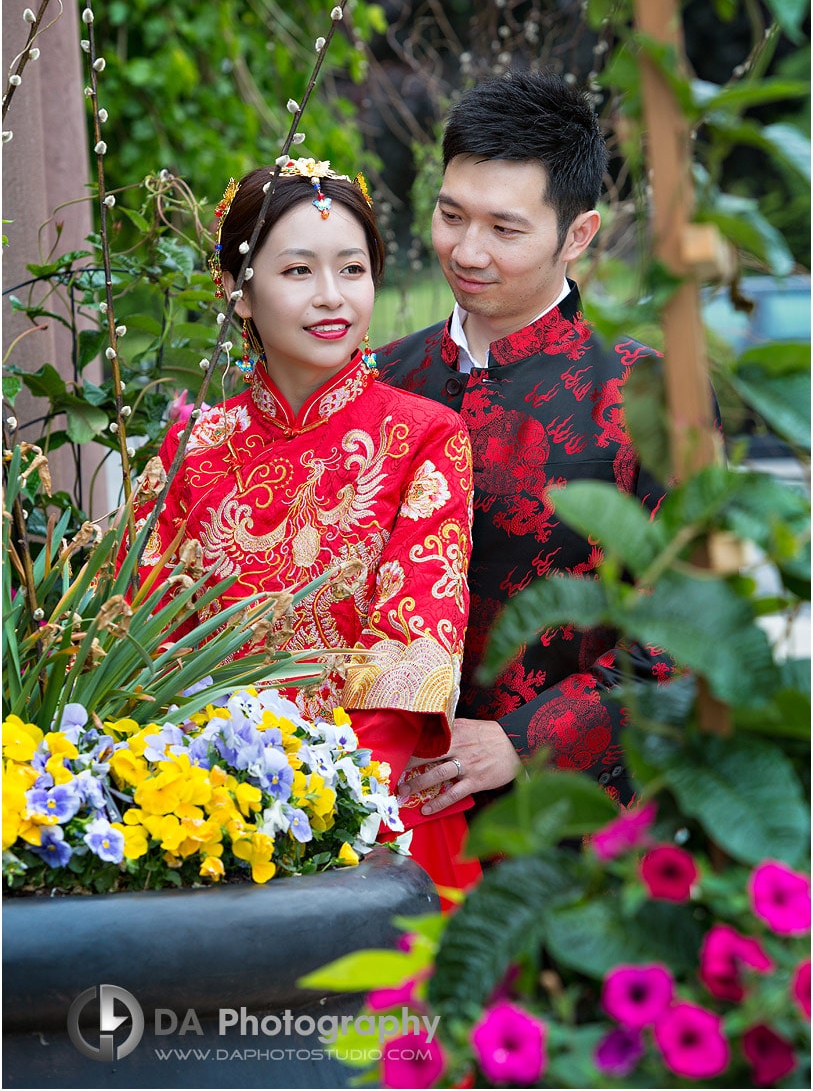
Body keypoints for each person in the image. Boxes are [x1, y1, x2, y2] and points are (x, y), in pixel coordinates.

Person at [132, 159, 481, 898]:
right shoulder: (191, 450)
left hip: (376, 820)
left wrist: (317, 806)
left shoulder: (425, 436)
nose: (333, 298)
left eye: (352, 269)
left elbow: (410, 646)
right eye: (298, 271)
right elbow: (146, 642)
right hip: (208, 818)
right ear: (238, 292)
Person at [376, 70, 676, 818]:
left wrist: (519, 739)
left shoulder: (645, 393)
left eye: (505, 229)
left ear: (577, 234)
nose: (466, 251)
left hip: (569, 815)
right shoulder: (384, 377)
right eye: (450, 215)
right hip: (385, 803)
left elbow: (680, 630)